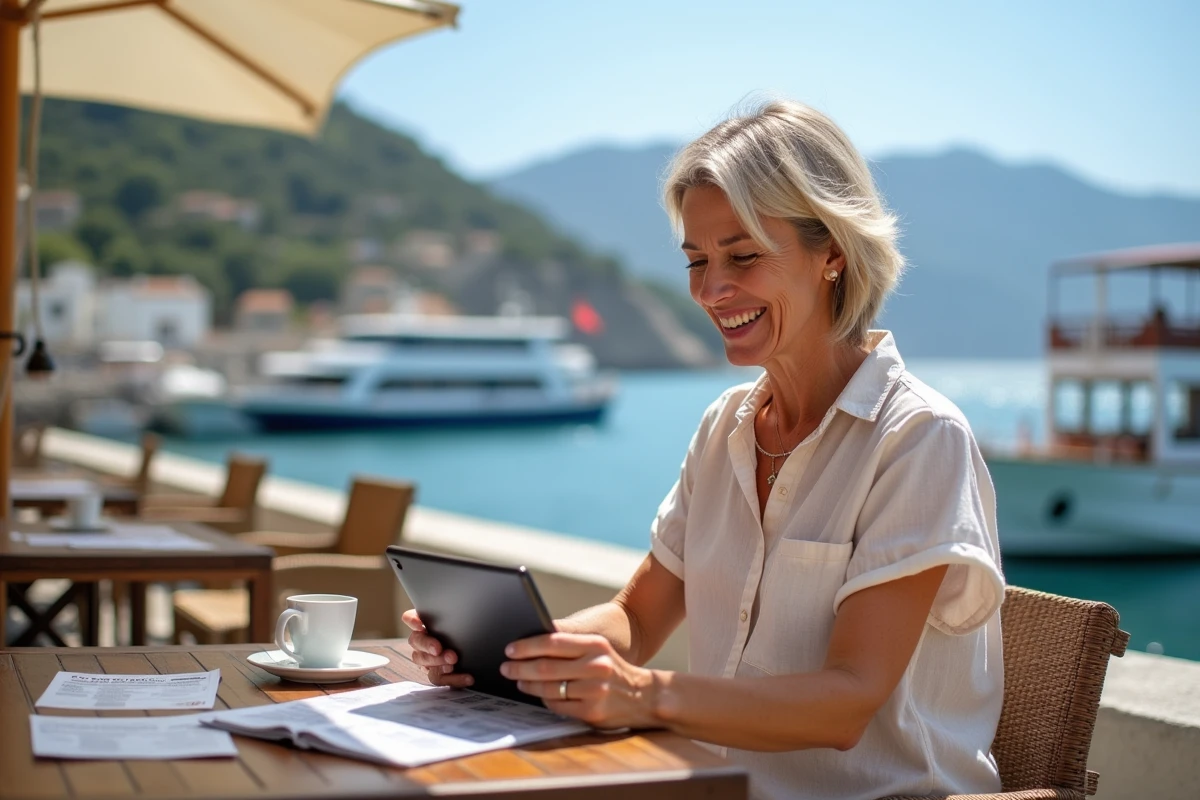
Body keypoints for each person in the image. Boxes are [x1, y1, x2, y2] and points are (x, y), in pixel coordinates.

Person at [404, 98, 1005, 800]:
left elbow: (847, 703)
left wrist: (643, 695)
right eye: (696, 260)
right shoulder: (725, 429)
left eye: (743, 256)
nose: (713, 290)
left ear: (832, 254)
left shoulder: (919, 439)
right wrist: (518, 655)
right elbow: (636, 618)